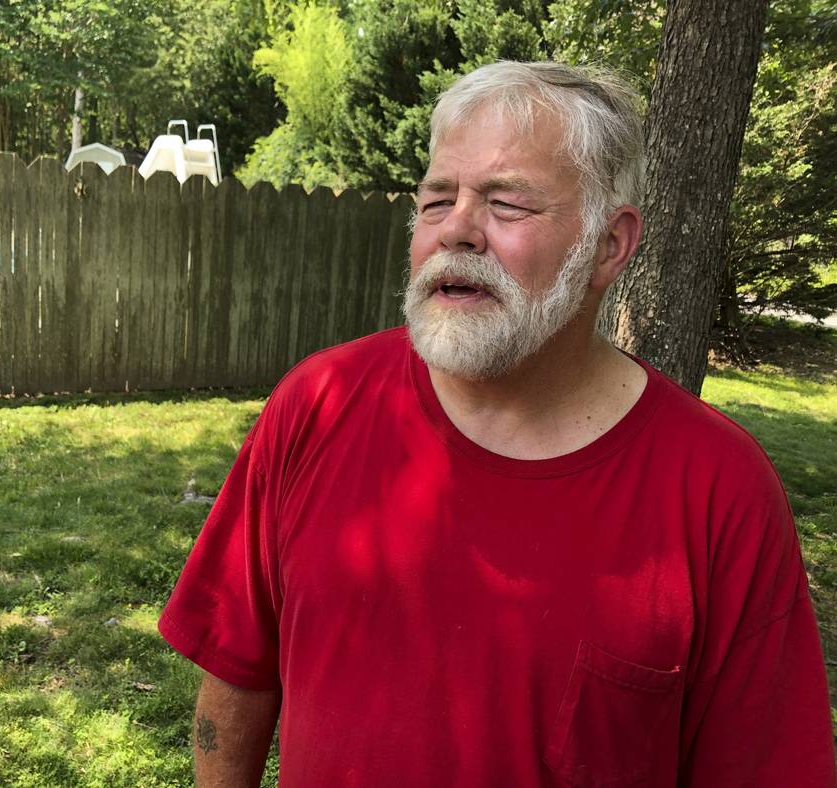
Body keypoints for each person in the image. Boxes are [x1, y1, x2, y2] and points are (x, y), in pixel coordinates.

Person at [158, 61, 836, 787]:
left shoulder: (716, 489)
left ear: (610, 246)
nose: (457, 229)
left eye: (507, 203)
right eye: (436, 199)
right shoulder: (317, 404)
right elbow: (237, 669)